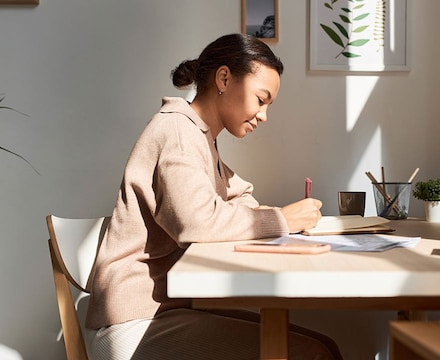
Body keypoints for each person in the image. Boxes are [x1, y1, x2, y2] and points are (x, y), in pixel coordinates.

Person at [87, 33, 343, 360]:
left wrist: (278, 218)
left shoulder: (200, 138)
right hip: (133, 322)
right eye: (261, 99)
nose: (263, 115)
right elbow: (195, 222)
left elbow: (240, 195)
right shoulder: (178, 132)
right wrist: (280, 220)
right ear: (224, 78)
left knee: (324, 348)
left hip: (163, 309)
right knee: (313, 354)